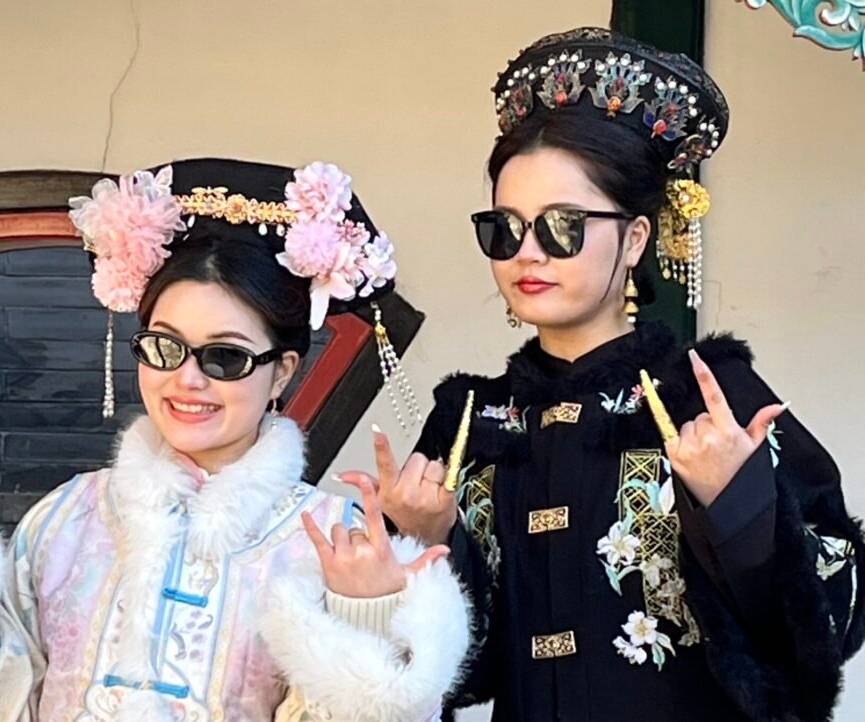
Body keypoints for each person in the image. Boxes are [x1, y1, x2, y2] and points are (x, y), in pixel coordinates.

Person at [353, 27, 864, 721]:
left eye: (562, 226)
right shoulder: (470, 424)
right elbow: (456, 674)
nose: (526, 254)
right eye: (504, 229)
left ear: (634, 238)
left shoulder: (710, 395)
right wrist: (428, 544)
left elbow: (834, 623)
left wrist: (738, 505)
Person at [0, 158, 470, 721]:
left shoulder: (330, 542)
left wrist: (365, 615)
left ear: (282, 369)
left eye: (224, 357)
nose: (185, 379)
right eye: (163, 347)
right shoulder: (62, 522)